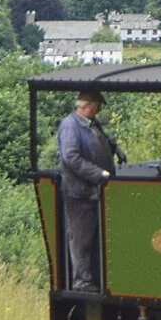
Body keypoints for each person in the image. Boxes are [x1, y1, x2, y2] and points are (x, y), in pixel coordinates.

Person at [56, 88, 118, 291]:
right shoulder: (70, 126)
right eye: (97, 107)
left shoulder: (91, 124)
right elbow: (71, 157)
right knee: (81, 237)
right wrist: (98, 174)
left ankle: (95, 278)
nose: (98, 111)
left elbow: (102, 141)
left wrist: (115, 148)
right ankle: (81, 281)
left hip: (95, 191)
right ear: (89, 106)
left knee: (95, 237)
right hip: (80, 192)